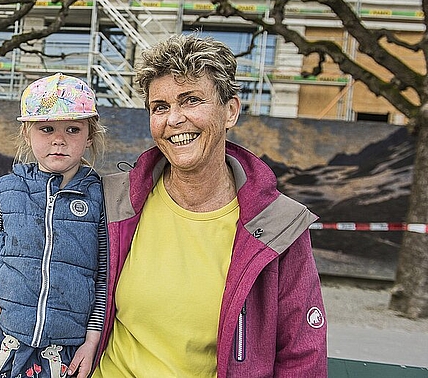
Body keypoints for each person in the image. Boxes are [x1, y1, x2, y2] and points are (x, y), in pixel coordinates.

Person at [90, 34, 328, 377]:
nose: (174, 119)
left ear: (230, 111)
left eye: (191, 100)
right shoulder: (115, 201)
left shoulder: (278, 226)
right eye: (160, 107)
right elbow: (55, 263)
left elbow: (302, 355)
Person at [0, 72, 108, 378]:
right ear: (27, 133)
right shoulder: (7, 189)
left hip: (64, 352)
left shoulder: (101, 198)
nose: (59, 139)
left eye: (73, 129)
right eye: (47, 128)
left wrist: (92, 341)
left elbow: (104, 277)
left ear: (89, 136)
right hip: (4, 343)